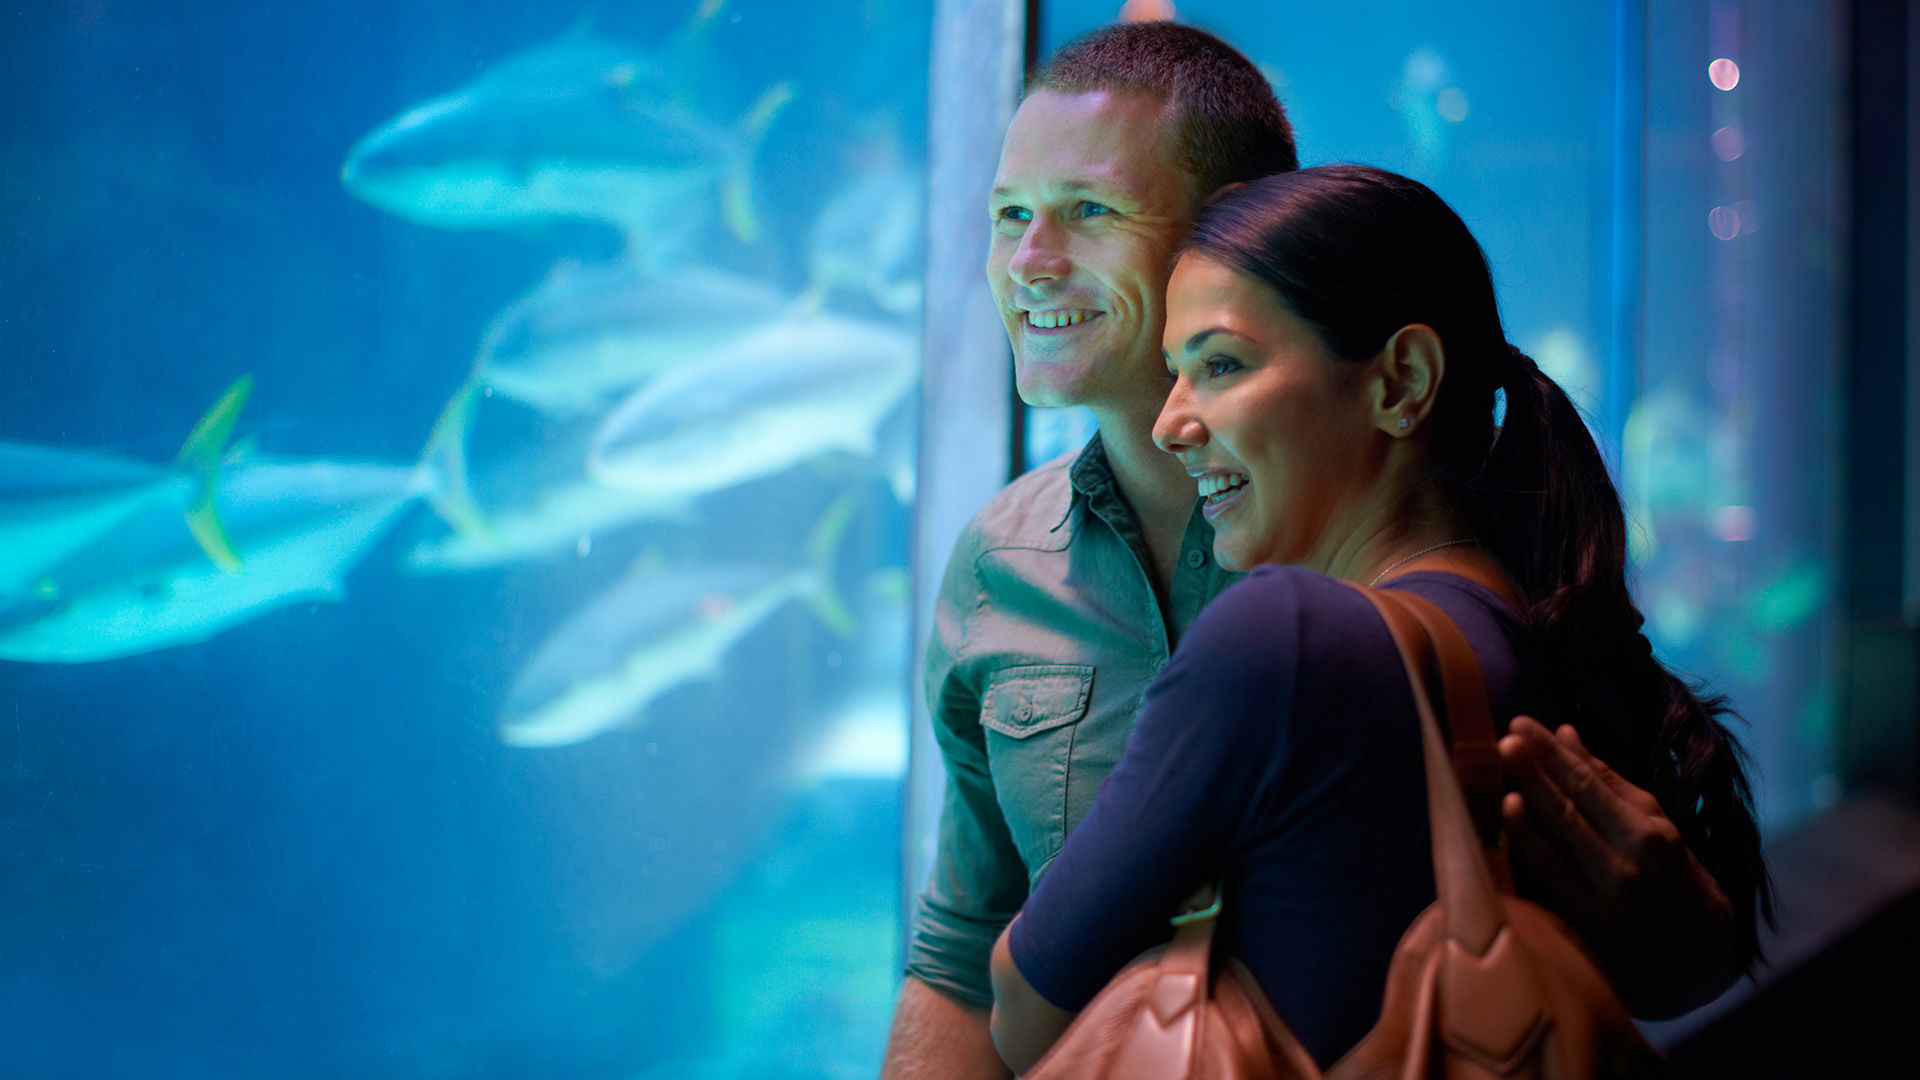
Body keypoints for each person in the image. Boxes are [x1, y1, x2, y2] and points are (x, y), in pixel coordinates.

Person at [883, 23, 1762, 1080]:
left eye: (1090, 212)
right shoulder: (999, 560)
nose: (1030, 260)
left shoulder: (1432, 550)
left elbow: (1658, 927)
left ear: (1242, 225)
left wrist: (1680, 933)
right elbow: (959, 955)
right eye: (1010, 215)